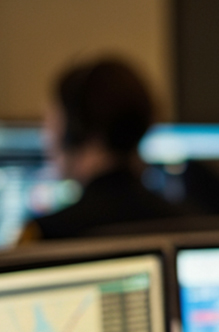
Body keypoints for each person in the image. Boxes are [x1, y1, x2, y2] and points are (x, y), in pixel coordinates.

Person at [16, 57, 185, 243]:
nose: (46, 137)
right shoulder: (185, 222)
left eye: (50, 123)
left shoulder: (45, 235)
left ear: (73, 129)